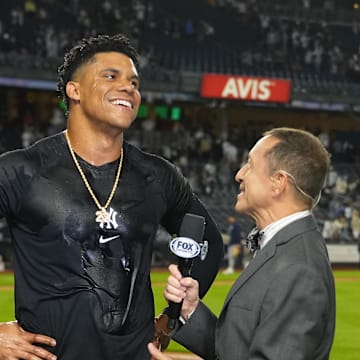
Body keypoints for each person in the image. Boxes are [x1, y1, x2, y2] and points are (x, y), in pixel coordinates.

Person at [0, 34, 223, 360]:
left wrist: (171, 318)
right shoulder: (21, 170)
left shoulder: (157, 175)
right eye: (111, 76)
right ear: (73, 91)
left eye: (134, 82)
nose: (128, 88)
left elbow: (210, 243)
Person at [148, 127, 336, 360]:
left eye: (250, 165)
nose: (239, 174)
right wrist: (191, 309)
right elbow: (235, 350)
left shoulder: (299, 268)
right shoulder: (285, 249)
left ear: (278, 182)